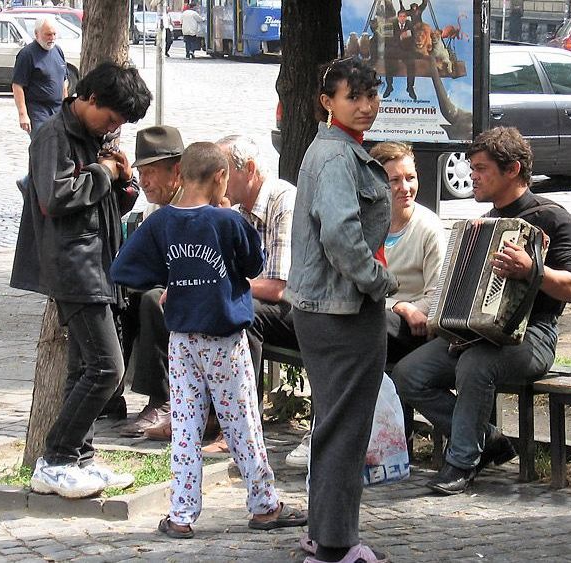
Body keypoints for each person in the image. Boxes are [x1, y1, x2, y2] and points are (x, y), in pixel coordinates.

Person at [110, 142, 308, 540]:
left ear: (180, 175)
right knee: (243, 423)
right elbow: (254, 264)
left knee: (185, 427)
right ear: (220, 177)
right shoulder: (228, 222)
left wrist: (171, 279)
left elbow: (123, 268)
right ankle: (265, 505)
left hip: (181, 340)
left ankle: (181, 514)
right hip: (224, 340)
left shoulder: (161, 222)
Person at [392, 126, 571, 496]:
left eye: (480, 169)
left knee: (475, 365)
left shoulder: (553, 218)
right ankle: (488, 439)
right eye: (472, 168)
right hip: (475, 335)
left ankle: (461, 461)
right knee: (409, 373)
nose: (472, 177)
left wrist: (533, 270)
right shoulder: (484, 222)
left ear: (511, 169)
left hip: (533, 335)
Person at [11, 62, 152, 499]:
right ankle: (55, 458)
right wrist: (103, 174)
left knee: (83, 370)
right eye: (112, 118)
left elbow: (109, 207)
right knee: (109, 368)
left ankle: (80, 459)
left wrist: (124, 181)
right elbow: (55, 197)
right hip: (74, 267)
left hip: (99, 264)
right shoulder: (53, 134)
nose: (115, 128)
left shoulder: (93, 137)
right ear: (89, 99)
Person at [286, 57, 397, 563]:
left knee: (337, 424)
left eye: (372, 96)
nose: (367, 107)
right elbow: (340, 236)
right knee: (344, 428)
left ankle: (325, 532)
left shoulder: (340, 150)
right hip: (341, 311)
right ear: (327, 102)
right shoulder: (335, 156)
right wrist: (379, 282)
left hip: (332, 308)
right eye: (355, 97)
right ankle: (333, 545)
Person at [216, 134, 299, 457]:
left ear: (248, 169)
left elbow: (279, 287)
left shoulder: (283, 201)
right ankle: (210, 417)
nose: (218, 179)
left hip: (302, 310)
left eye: (224, 171)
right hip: (269, 305)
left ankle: (240, 429)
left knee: (241, 312)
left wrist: (223, 288)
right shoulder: (241, 212)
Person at [114, 125, 186, 439]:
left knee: (152, 299)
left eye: (151, 172)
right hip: (169, 285)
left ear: (178, 171)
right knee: (118, 294)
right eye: (141, 172)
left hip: (197, 292)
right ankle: (108, 390)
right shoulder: (156, 210)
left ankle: (162, 399)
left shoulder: (197, 203)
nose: (144, 181)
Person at [368, 141, 445, 363]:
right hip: (376, 314)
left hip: (413, 327)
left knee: (369, 324)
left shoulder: (429, 227)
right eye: (394, 180)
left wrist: (405, 309)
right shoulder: (364, 223)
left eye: (410, 178)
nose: (405, 187)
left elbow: (437, 297)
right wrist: (398, 305)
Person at [12, 17, 68, 137]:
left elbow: (63, 81)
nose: (52, 38)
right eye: (48, 34)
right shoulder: (27, 54)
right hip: (37, 110)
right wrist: (23, 114)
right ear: (37, 34)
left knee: (60, 146)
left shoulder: (58, 51)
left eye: (54, 34)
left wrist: (66, 107)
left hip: (58, 110)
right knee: (43, 145)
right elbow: (17, 85)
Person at [383, 9, 417, 101]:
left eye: (404, 17)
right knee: (388, 60)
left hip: (406, 50)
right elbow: (387, 39)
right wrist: (400, 36)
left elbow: (414, 37)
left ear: (406, 17)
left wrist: (407, 37)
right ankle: (389, 86)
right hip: (394, 49)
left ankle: (410, 87)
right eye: (400, 16)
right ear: (398, 17)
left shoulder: (409, 24)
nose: (402, 18)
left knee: (411, 62)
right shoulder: (390, 24)